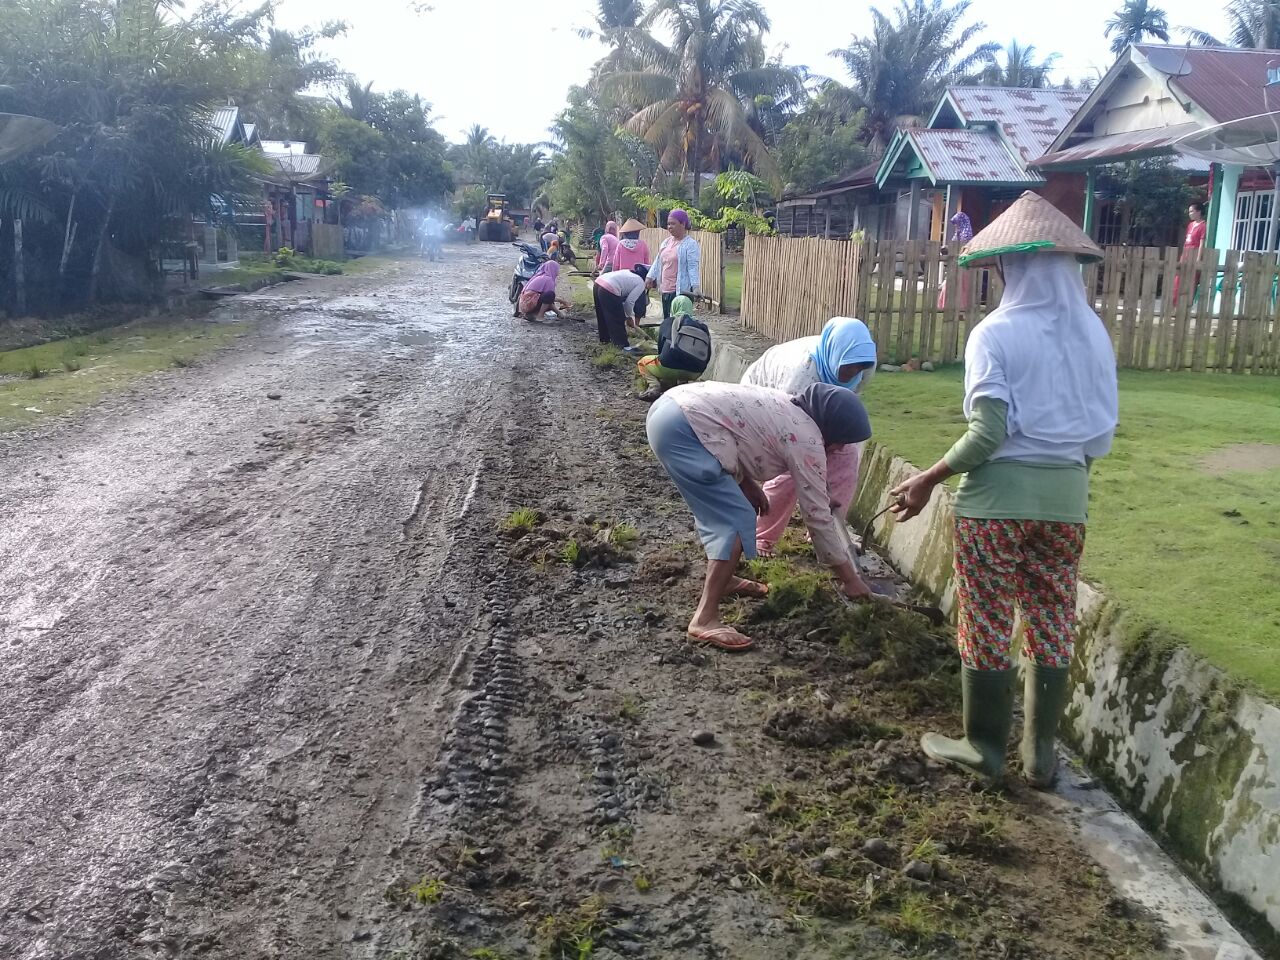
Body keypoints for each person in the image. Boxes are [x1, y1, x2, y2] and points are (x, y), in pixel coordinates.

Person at [887, 191, 1118, 788]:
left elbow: (988, 434)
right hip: (1068, 503)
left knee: (986, 619)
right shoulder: (1094, 334)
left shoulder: (995, 333)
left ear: (1010, 267)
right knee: (1051, 616)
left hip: (994, 507)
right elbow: (1097, 435)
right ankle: (1041, 757)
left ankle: (983, 746)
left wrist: (929, 478)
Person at [647, 382, 875, 651]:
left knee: (725, 509)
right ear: (831, 430)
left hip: (669, 411)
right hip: (685, 428)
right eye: (840, 442)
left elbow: (737, 436)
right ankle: (704, 618)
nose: (838, 450)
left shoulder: (787, 406)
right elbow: (816, 516)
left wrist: (747, 484)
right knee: (735, 518)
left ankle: (725, 579)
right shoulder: (807, 439)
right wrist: (850, 579)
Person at [741, 317, 878, 555]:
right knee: (791, 470)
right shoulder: (802, 371)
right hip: (767, 402)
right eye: (848, 367)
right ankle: (762, 537)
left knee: (847, 461)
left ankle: (828, 534)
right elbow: (788, 426)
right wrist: (815, 455)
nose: (853, 373)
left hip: (821, 407)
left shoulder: (863, 368)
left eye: (858, 367)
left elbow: (844, 407)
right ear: (836, 355)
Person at [636, 294, 711, 401]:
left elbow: (662, 351)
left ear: (674, 307)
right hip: (696, 371)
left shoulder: (668, 322)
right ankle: (681, 385)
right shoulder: (702, 327)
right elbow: (708, 353)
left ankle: (654, 387)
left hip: (669, 366)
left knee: (643, 363)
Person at [647, 209, 701, 318]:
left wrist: (695, 287)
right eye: (668, 224)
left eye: (673, 223)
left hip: (680, 292)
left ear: (683, 224)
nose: (669, 227)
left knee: (679, 323)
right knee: (667, 322)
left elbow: (692, 267)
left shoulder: (690, 244)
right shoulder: (666, 242)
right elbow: (658, 261)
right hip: (665, 290)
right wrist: (649, 277)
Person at [594, 264, 649, 348]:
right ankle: (622, 345)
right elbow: (629, 302)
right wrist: (628, 317)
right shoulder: (641, 283)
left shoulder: (629, 273)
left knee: (602, 315)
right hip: (609, 288)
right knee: (617, 318)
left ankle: (605, 340)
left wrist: (627, 315)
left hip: (598, 282)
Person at [1172, 201, 1208, 304]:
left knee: (1191, 281)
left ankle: (1187, 304)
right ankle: (1175, 304)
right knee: (1178, 280)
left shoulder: (1203, 226)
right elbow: (1186, 241)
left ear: (1199, 212)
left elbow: (1202, 243)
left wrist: (1198, 258)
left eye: (1192, 211)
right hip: (1186, 254)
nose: (1190, 214)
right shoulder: (1190, 225)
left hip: (1194, 254)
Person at [938, 211, 974, 310]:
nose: (956, 226)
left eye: (957, 223)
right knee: (949, 285)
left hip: (964, 265)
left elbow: (964, 248)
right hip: (955, 264)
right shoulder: (957, 234)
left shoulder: (967, 235)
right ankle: (946, 305)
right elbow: (953, 246)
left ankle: (961, 309)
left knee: (962, 288)